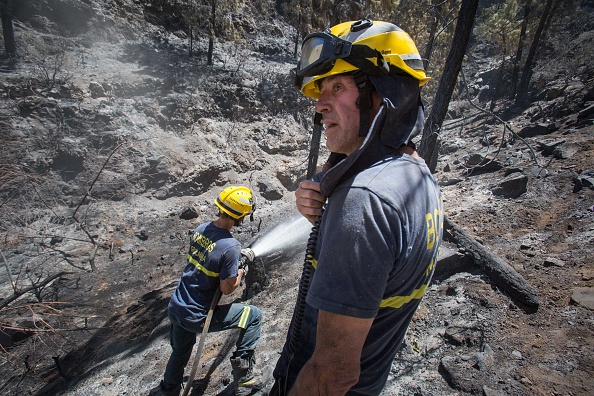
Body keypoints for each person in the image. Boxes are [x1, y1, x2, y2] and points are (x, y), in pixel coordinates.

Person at [270, 20, 444, 395]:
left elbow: (333, 375)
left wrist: (345, 207)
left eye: (337, 86)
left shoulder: (364, 203)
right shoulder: (415, 175)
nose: (319, 106)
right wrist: (327, 200)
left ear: (384, 95)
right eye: (320, 91)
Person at [150, 186, 265, 396]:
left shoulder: (201, 229)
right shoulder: (231, 247)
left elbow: (208, 261)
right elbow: (227, 288)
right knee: (254, 317)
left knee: (180, 352)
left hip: (177, 307)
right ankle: (245, 379)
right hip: (197, 315)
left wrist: (232, 265)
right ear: (241, 215)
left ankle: (168, 389)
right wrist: (240, 270)